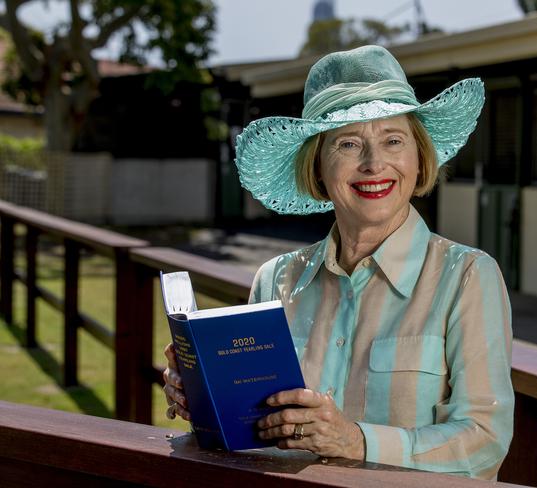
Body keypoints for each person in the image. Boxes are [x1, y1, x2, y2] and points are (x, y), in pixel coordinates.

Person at [163, 45, 514, 480]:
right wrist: (203, 398)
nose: (374, 164)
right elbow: (250, 434)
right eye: (348, 143)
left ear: (419, 157)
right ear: (319, 167)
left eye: (393, 140)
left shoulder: (467, 277)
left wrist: (356, 440)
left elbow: (485, 440)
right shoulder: (276, 280)